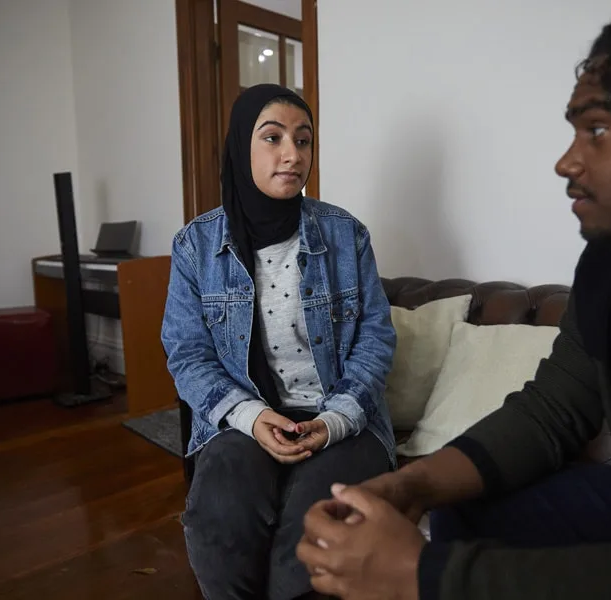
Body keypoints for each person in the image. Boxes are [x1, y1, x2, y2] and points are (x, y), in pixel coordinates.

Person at [296, 1, 611, 598]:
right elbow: (553, 410)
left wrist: (421, 574)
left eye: (598, 129)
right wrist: (414, 486)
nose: (567, 160)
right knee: (471, 508)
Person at [161, 83, 397, 600]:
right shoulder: (195, 246)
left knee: (315, 523)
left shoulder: (346, 235)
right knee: (219, 512)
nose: (293, 155)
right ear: (241, 146)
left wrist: (334, 420)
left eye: (304, 140)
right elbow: (187, 354)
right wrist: (250, 416)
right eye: (273, 138)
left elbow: (376, 339)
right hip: (247, 414)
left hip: (340, 416)